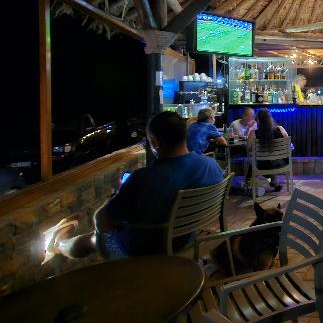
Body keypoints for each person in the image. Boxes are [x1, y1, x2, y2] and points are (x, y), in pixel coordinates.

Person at [43, 111, 225, 261]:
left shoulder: (143, 178)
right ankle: (60, 242)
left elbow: (102, 222)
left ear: (156, 143)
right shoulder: (211, 166)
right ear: (184, 135)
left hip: (148, 250)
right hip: (188, 238)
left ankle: (59, 244)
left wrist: (113, 198)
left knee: (95, 238)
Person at [247, 109, 290, 193]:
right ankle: (274, 183)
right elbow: (288, 144)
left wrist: (250, 128)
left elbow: (248, 149)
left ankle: (249, 185)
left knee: (254, 163)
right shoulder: (280, 129)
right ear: (270, 119)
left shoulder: (253, 133)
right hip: (280, 163)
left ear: (258, 121)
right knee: (269, 161)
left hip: (262, 165)